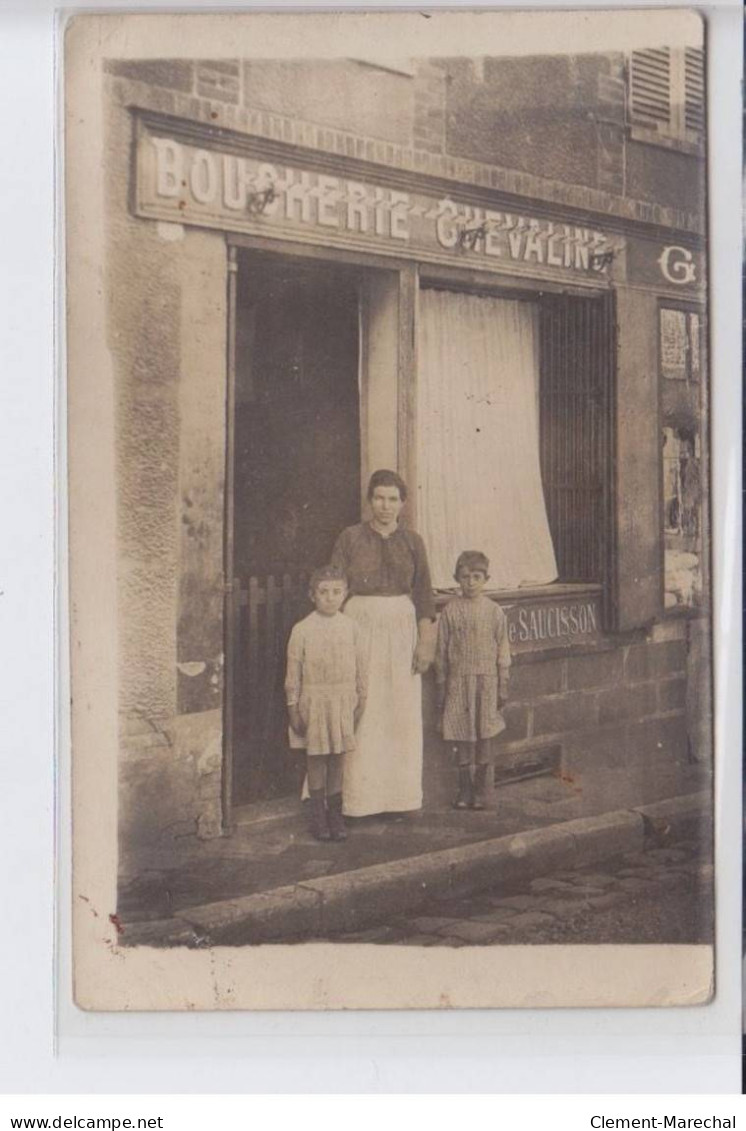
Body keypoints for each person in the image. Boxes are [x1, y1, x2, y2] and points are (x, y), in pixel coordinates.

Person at [331, 469, 436, 817]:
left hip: (401, 631)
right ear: (369, 500)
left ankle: (399, 798)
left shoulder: (413, 542)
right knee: (364, 708)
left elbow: (423, 596)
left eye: (393, 499)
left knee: (399, 712)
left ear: (403, 504)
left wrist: (425, 643)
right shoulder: (350, 538)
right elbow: (334, 587)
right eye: (379, 498)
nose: (385, 506)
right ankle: (359, 800)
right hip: (360, 625)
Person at [285, 565, 367, 842]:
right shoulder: (302, 629)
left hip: (343, 701)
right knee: (317, 760)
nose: (330, 598)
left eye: (336, 592)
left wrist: (360, 702)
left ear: (346, 594)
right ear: (312, 595)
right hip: (315, 702)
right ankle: (318, 817)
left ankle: (336, 815)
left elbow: (361, 670)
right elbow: (293, 674)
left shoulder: (352, 628)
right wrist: (293, 708)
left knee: (338, 760)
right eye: (323, 592)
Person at [435, 550, 511, 810]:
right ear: (457, 578)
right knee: (462, 734)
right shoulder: (450, 611)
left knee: (484, 733)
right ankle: (464, 788)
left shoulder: (493, 611)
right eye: (465, 577)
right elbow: (442, 650)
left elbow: (503, 649)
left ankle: (481, 788)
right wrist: (442, 684)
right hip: (459, 682)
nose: (470, 582)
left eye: (476, 576)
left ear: (486, 578)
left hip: (486, 682)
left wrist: (503, 683)